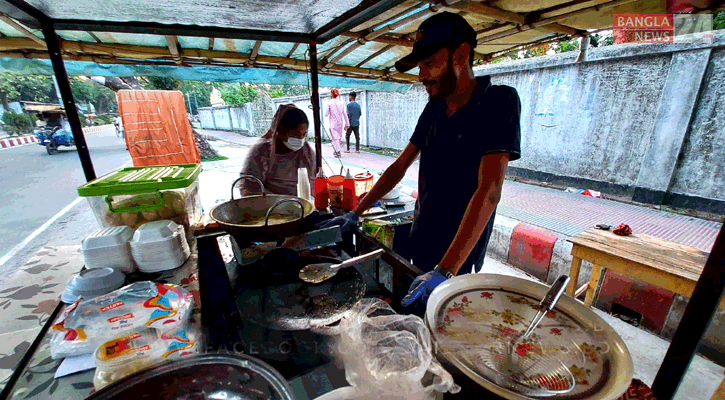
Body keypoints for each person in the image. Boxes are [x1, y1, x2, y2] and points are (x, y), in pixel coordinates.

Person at [321, 12, 521, 312]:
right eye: (420, 66)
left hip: (459, 251)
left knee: (444, 317)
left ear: (462, 55)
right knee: (413, 314)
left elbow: (489, 190)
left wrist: (446, 270)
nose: (421, 76)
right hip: (423, 233)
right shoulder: (434, 108)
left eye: (429, 64)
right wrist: (356, 213)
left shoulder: (498, 102)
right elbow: (399, 167)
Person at [237, 104, 315, 196]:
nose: (301, 139)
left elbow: (317, 180)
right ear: (281, 132)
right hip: (271, 206)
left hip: (304, 204)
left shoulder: (306, 151)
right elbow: (249, 187)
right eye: (296, 135)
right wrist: (280, 202)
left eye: (304, 135)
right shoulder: (261, 152)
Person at [325, 88, 349, 158]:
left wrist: (330, 111)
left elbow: (326, 114)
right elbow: (345, 114)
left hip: (333, 123)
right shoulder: (341, 103)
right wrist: (347, 124)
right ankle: (336, 150)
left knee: (335, 138)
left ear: (331, 94)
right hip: (340, 123)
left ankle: (338, 152)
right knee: (338, 138)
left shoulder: (329, 103)